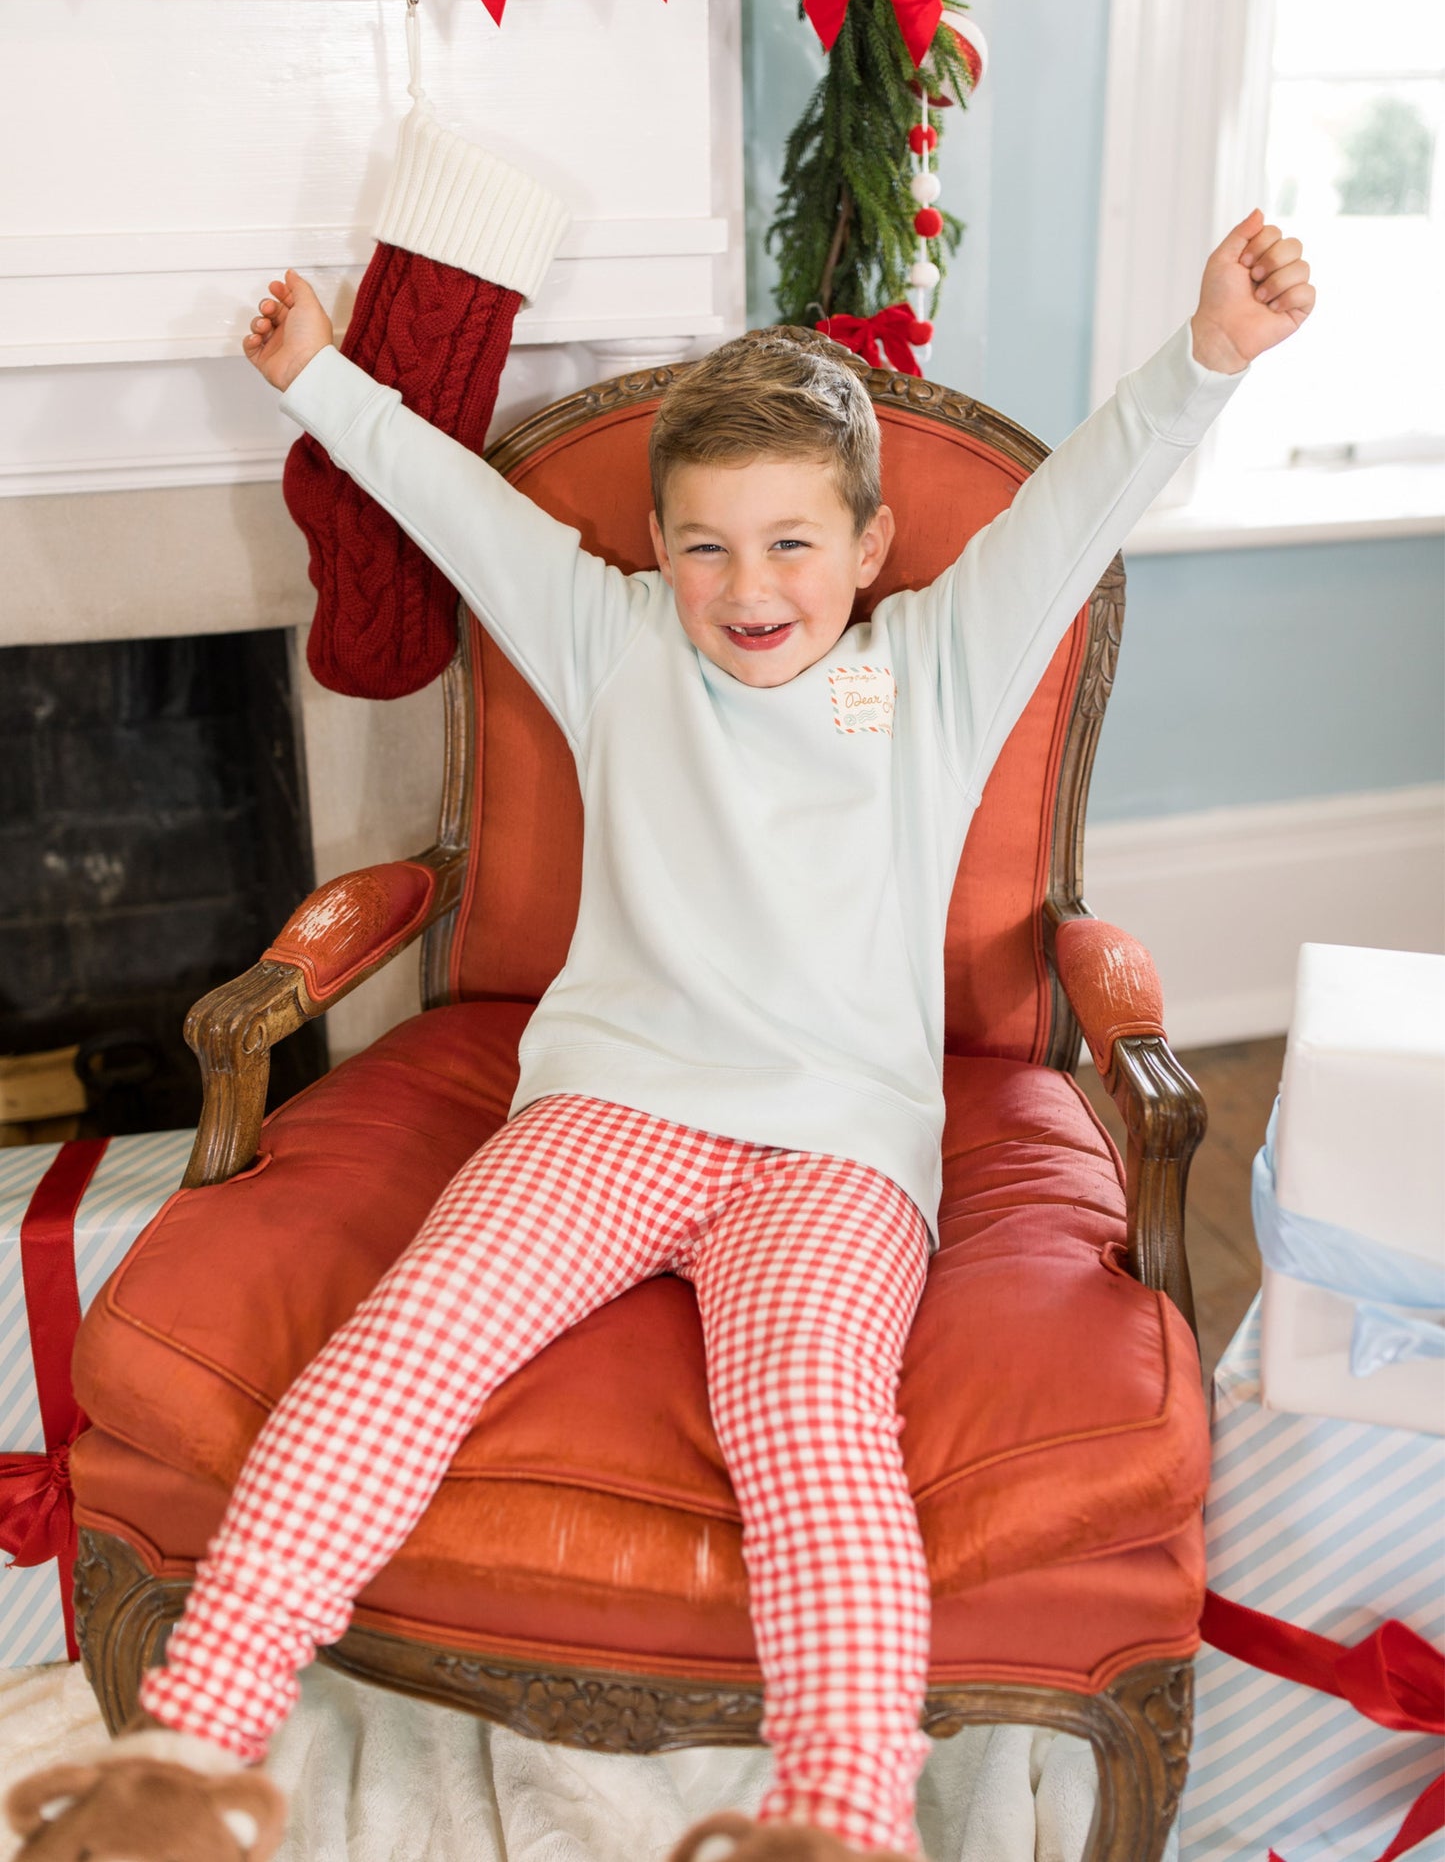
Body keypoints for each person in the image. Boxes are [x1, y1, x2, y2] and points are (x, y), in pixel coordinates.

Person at [6, 203, 1313, 1862]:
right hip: (601, 1118)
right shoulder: (613, 646)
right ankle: (183, 1758)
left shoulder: (935, 670)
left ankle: (833, 1823)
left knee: (814, 1437)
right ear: (655, 551)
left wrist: (1207, 352)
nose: (745, 586)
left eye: (788, 544)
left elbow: (1083, 502)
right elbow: (459, 507)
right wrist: (318, 378)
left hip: (831, 1157)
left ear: (868, 547)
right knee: (397, 1356)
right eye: (703, 545)